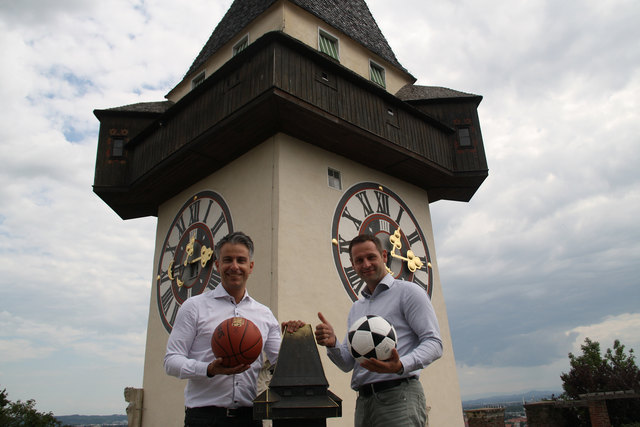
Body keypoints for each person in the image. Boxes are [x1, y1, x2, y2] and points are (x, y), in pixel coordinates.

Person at [165, 231, 302, 427]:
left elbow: (281, 367)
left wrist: (293, 341)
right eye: (228, 260)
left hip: (249, 417)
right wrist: (208, 369)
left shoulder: (264, 314)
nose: (235, 266)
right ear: (217, 265)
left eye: (241, 260)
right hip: (204, 418)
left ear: (251, 266)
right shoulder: (193, 307)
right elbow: (171, 361)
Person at [315, 233, 443, 427]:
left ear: (384, 256)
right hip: (364, 402)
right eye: (359, 260)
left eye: (371, 257)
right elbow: (348, 363)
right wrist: (332, 343)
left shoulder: (409, 293)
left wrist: (401, 365)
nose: (365, 264)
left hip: (400, 398)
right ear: (352, 264)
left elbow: (434, 343)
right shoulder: (357, 308)